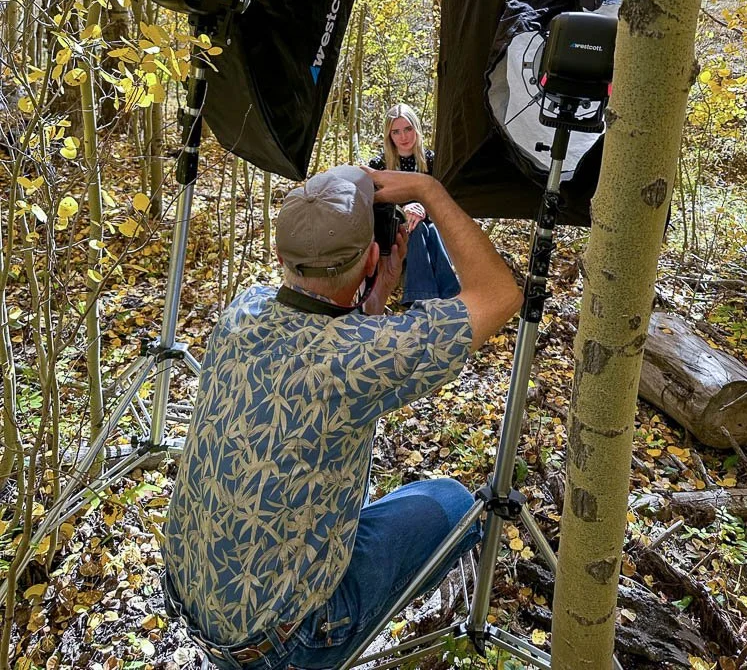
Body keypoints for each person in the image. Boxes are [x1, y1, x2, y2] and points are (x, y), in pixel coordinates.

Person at [162, 164, 521, 670]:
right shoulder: (358, 360)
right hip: (283, 646)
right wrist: (428, 189)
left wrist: (375, 297)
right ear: (373, 253)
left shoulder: (244, 310)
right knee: (454, 502)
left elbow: (326, 339)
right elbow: (501, 295)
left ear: (281, 256)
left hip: (194, 604)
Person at [369, 102, 459, 304]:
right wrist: (402, 209)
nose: (404, 137)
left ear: (416, 128)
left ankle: (424, 297)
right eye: (396, 132)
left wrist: (424, 209)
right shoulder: (379, 165)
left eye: (408, 129)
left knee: (427, 229)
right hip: (391, 229)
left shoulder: (433, 162)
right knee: (416, 229)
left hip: (430, 227)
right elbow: (372, 204)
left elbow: (446, 201)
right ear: (389, 136)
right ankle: (444, 296)